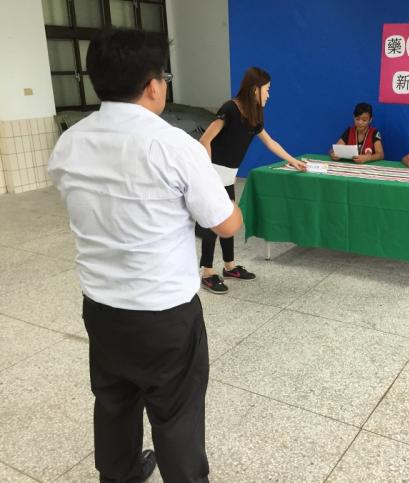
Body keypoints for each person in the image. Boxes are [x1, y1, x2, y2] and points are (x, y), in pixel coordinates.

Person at [48, 28, 242, 483]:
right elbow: (226, 225)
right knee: (176, 413)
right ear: (153, 85)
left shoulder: (70, 142)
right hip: (164, 313)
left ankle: (118, 475)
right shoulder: (175, 146)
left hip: (101, 307)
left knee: (113, 401)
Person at [197, 67, 305, 294]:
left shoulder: (254, 115)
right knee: (213, 225)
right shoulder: (230, 109)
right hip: (214, 174)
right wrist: (207, 174)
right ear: (255, 89)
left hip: (228, 176)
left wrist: (293, 161)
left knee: (228, 221)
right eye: (267, 89)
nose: (269, 94)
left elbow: (270, 142)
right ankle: (207, 273)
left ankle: (229, 266)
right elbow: (205, 140)